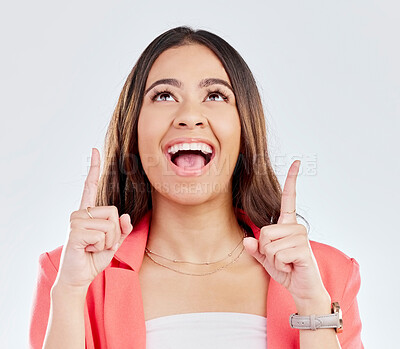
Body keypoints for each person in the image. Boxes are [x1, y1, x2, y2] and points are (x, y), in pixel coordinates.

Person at [29, 26, 363, 348]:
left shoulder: (326, 274)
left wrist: (312, 305)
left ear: (244, 128)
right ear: (134, 128)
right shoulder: (69, 274)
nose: (189, 116)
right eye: (164, 95)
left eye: (215, 95)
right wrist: (70, 292)